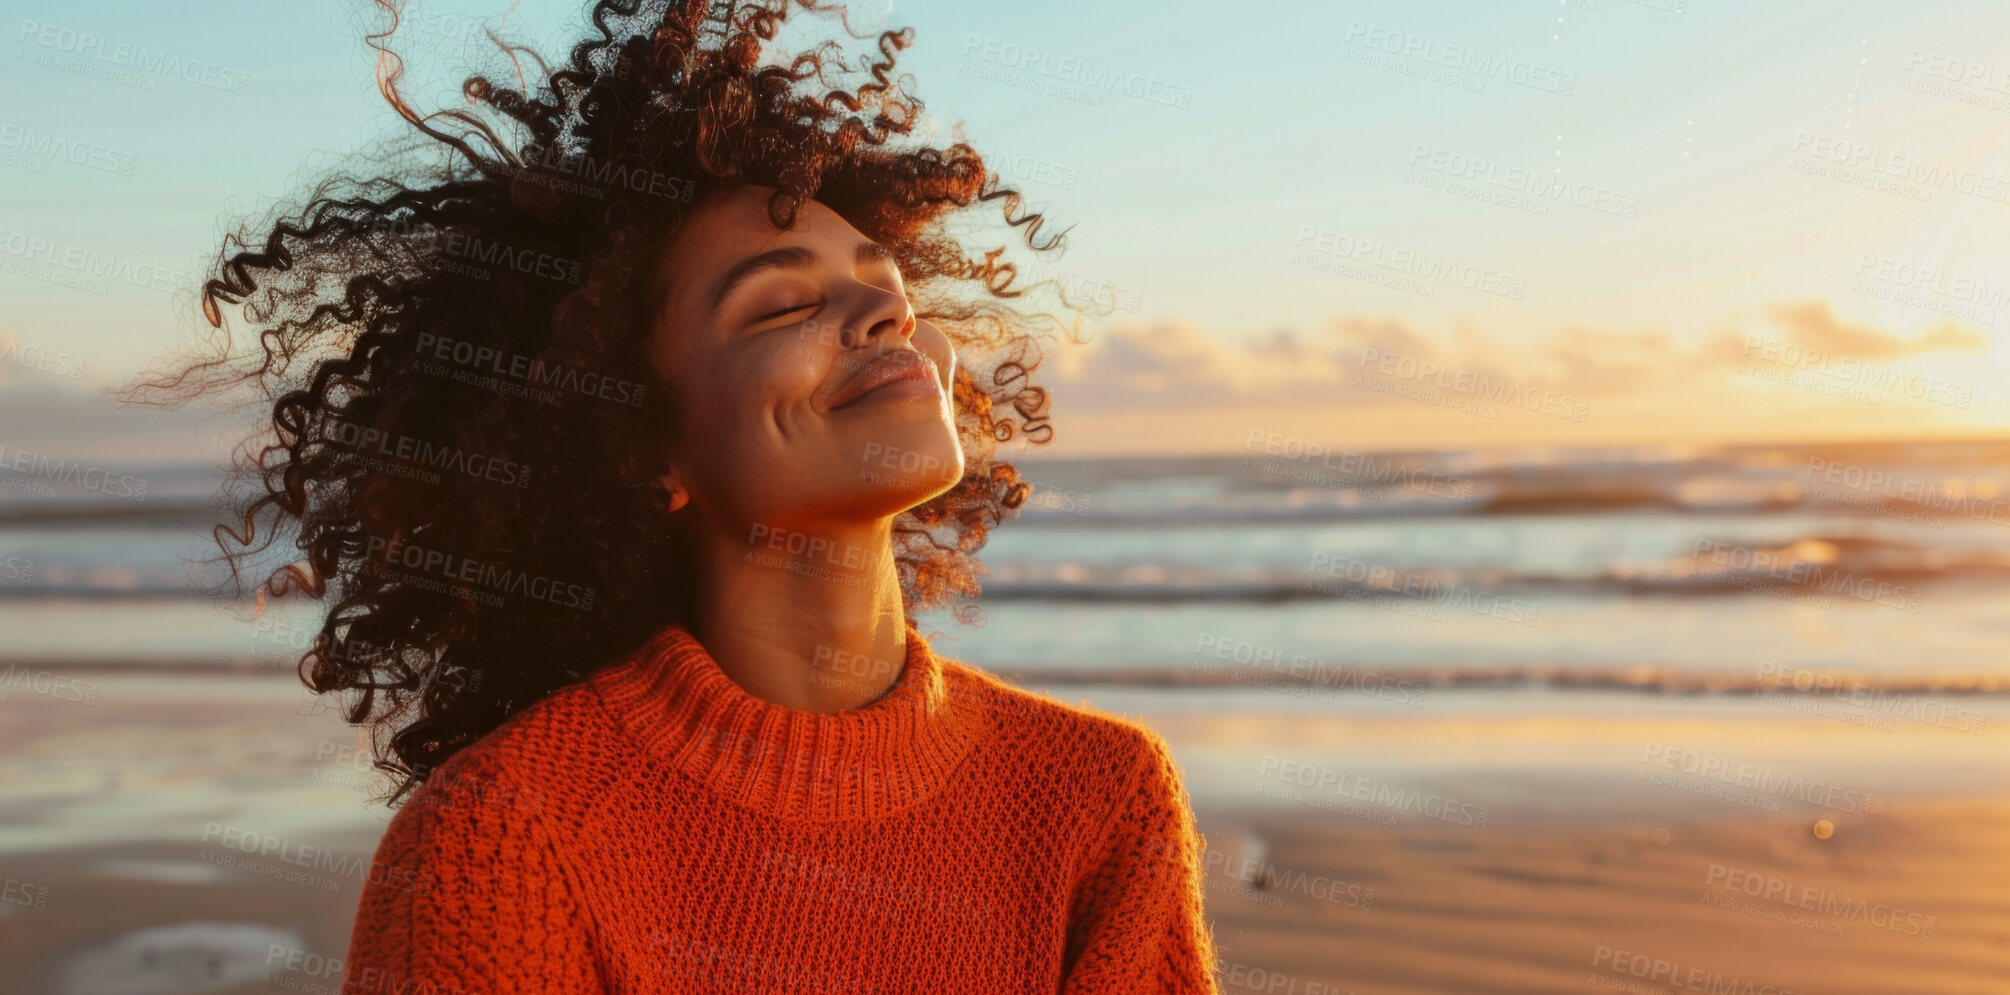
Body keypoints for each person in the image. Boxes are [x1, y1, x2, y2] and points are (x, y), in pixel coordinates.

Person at [122, 0, 1220, 990]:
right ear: (642, 446)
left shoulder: (1099, 798)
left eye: (885, 286)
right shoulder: (506, 837)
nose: (887, 318)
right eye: (782, 305)